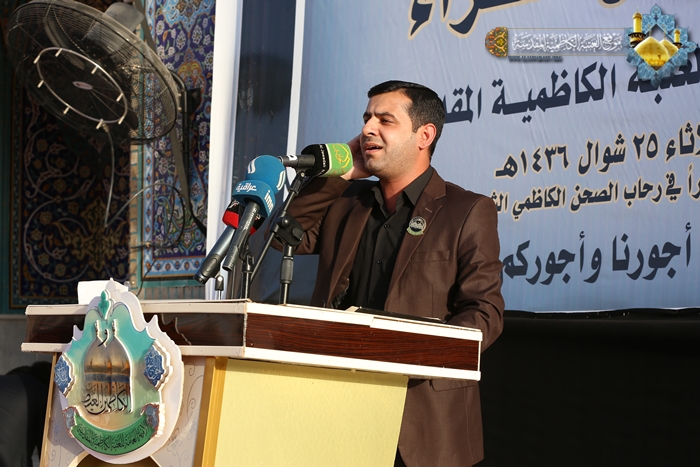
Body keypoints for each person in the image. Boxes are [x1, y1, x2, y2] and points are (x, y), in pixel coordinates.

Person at [285, 80, 504, 466]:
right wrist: (342, 174)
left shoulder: (467, 210)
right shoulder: (346, 202)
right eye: (366, 118)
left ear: (425, 136)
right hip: (339, 410)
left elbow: (485, 313)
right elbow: (286, 236)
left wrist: (410, 352)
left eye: (385, 120)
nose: (368, 129)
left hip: (422, 425)